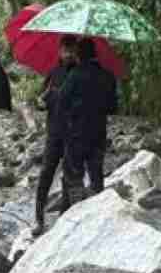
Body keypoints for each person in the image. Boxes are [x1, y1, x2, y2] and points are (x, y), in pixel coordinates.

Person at [59, 37, 118, 203]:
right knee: (96, 176)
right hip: (98, 132)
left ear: (78, 55)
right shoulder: (108, 76)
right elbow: (113, 108)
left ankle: (75, 212)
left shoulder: (74, 75)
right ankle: (98, 209)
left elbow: (62, 103)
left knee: (74, 176)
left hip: (76, 133)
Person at [33, 36, 78, 236]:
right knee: (45, 174)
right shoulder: (53, 73)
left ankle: (64, 216)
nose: (67, 54)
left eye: (71, 50)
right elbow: (39, 100)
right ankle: (39, 218)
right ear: (59, 51)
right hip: (54, 132)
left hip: (72, 133)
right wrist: (44, 98)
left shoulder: (79, 74)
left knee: (68, 177)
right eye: (65, 50)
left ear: (75, 52)